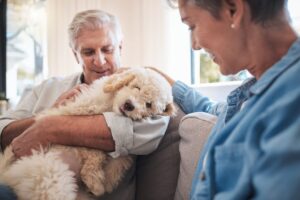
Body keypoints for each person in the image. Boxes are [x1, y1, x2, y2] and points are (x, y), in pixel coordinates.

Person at [0, 9, 169, 199]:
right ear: (75, 54)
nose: (100, 60)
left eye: (107, 49)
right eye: (88, 52)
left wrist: (50, 125)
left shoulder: (144, 94)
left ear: (120, 47)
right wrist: (50, 112)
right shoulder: (48, 88)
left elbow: (130, 132)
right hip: (18, 184)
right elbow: (3, 130)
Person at [154, 0, 300, 199]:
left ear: (233, 10)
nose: (194, 45)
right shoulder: (250, 95)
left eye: (192, 26)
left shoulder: (291, 101)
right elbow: (213, 109)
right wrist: (162, 81)